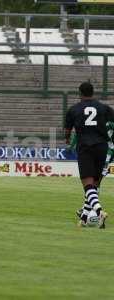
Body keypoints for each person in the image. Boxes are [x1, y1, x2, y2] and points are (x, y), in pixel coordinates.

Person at [65, 82, 114, 228]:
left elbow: (67, 132)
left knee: (88, 184)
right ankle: (85, 217)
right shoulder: (104, 108)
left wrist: (69, 141)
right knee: (94, 184)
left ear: (79, 93)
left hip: (86, 147)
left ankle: (99, 212)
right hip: (102, 147)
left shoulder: (74, 109)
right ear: (93, 92)